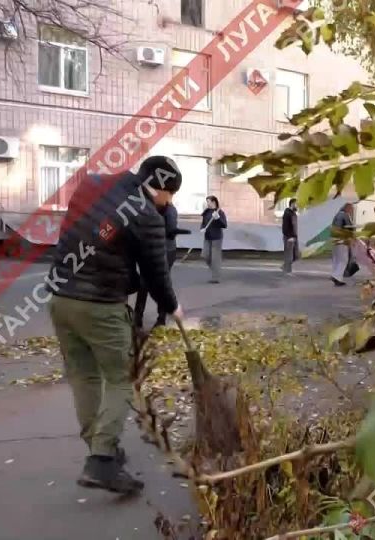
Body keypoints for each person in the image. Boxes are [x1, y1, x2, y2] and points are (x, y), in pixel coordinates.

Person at [47, 155, 184, 495]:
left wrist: (127, 277)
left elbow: (87, 239)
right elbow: (156, 274)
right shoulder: (147, 214)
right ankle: (102, 460)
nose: (169, 203)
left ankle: (100, 448)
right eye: (170, 196)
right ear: (162, 190)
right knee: (121, 378)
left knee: (84, 377)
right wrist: (173, 307)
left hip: (60, 299)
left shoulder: (92, 185)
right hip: (100, 306)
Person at [134, 201, 190, 329]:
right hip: (152, 249)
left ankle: (159, 318)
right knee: (146, 283)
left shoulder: (169, 210)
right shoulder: (149, 208)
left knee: (158, 282)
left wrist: (175, 231)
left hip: (165, 250)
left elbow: (170, 231)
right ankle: (140, 317)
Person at [201, 195, 227, 284]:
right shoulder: (206, 212)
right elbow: (203, 223)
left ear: (213, 202)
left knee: (215, 258)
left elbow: (224, 225)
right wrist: (202, 228)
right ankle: (216, 270)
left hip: (217, 238)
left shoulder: (220, 212)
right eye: (207, 202)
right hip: (207, 237)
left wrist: (218, 218)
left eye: (208, 202)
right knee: (205, 255)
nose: (207, 203)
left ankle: (215, 277)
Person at [330, 202, 354, 286]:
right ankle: (337, 277)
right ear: (347, 208)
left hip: (334, 239)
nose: (352, 210)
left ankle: (334, 274)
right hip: (342, 239)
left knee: (336, 259)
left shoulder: (337, 215)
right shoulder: (345, 215)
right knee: (343, 259)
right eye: (351, 208)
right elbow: (349, 227)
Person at [281, 199, 299, 274]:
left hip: (294, 236)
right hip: (289, 237)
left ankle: (285, 266)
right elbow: (285, 227)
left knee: (296, 255)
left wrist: (295, 236)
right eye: (296, 204)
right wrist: (289, 236)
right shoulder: (287, 213)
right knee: (289, 255)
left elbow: (295, 225)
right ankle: (287, 270)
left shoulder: (293, 213)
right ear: (292, 204)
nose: (297, 206)